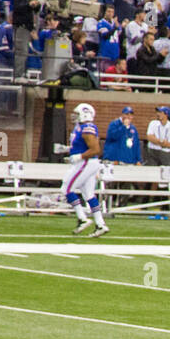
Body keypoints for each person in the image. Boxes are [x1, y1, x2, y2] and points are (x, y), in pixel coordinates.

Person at [55, 101, 107, 238]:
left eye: (77, 114)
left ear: (85, 114)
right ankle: (100, 224)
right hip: (87, 162)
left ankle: (82, 218)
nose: (74, 116)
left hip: (86, 162)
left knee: (66, 188)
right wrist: (66, 149)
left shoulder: (87, 128)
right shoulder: (80, 127)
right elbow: (79, 146)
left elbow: (96, 149)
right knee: (89, 194)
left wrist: (79, 156)